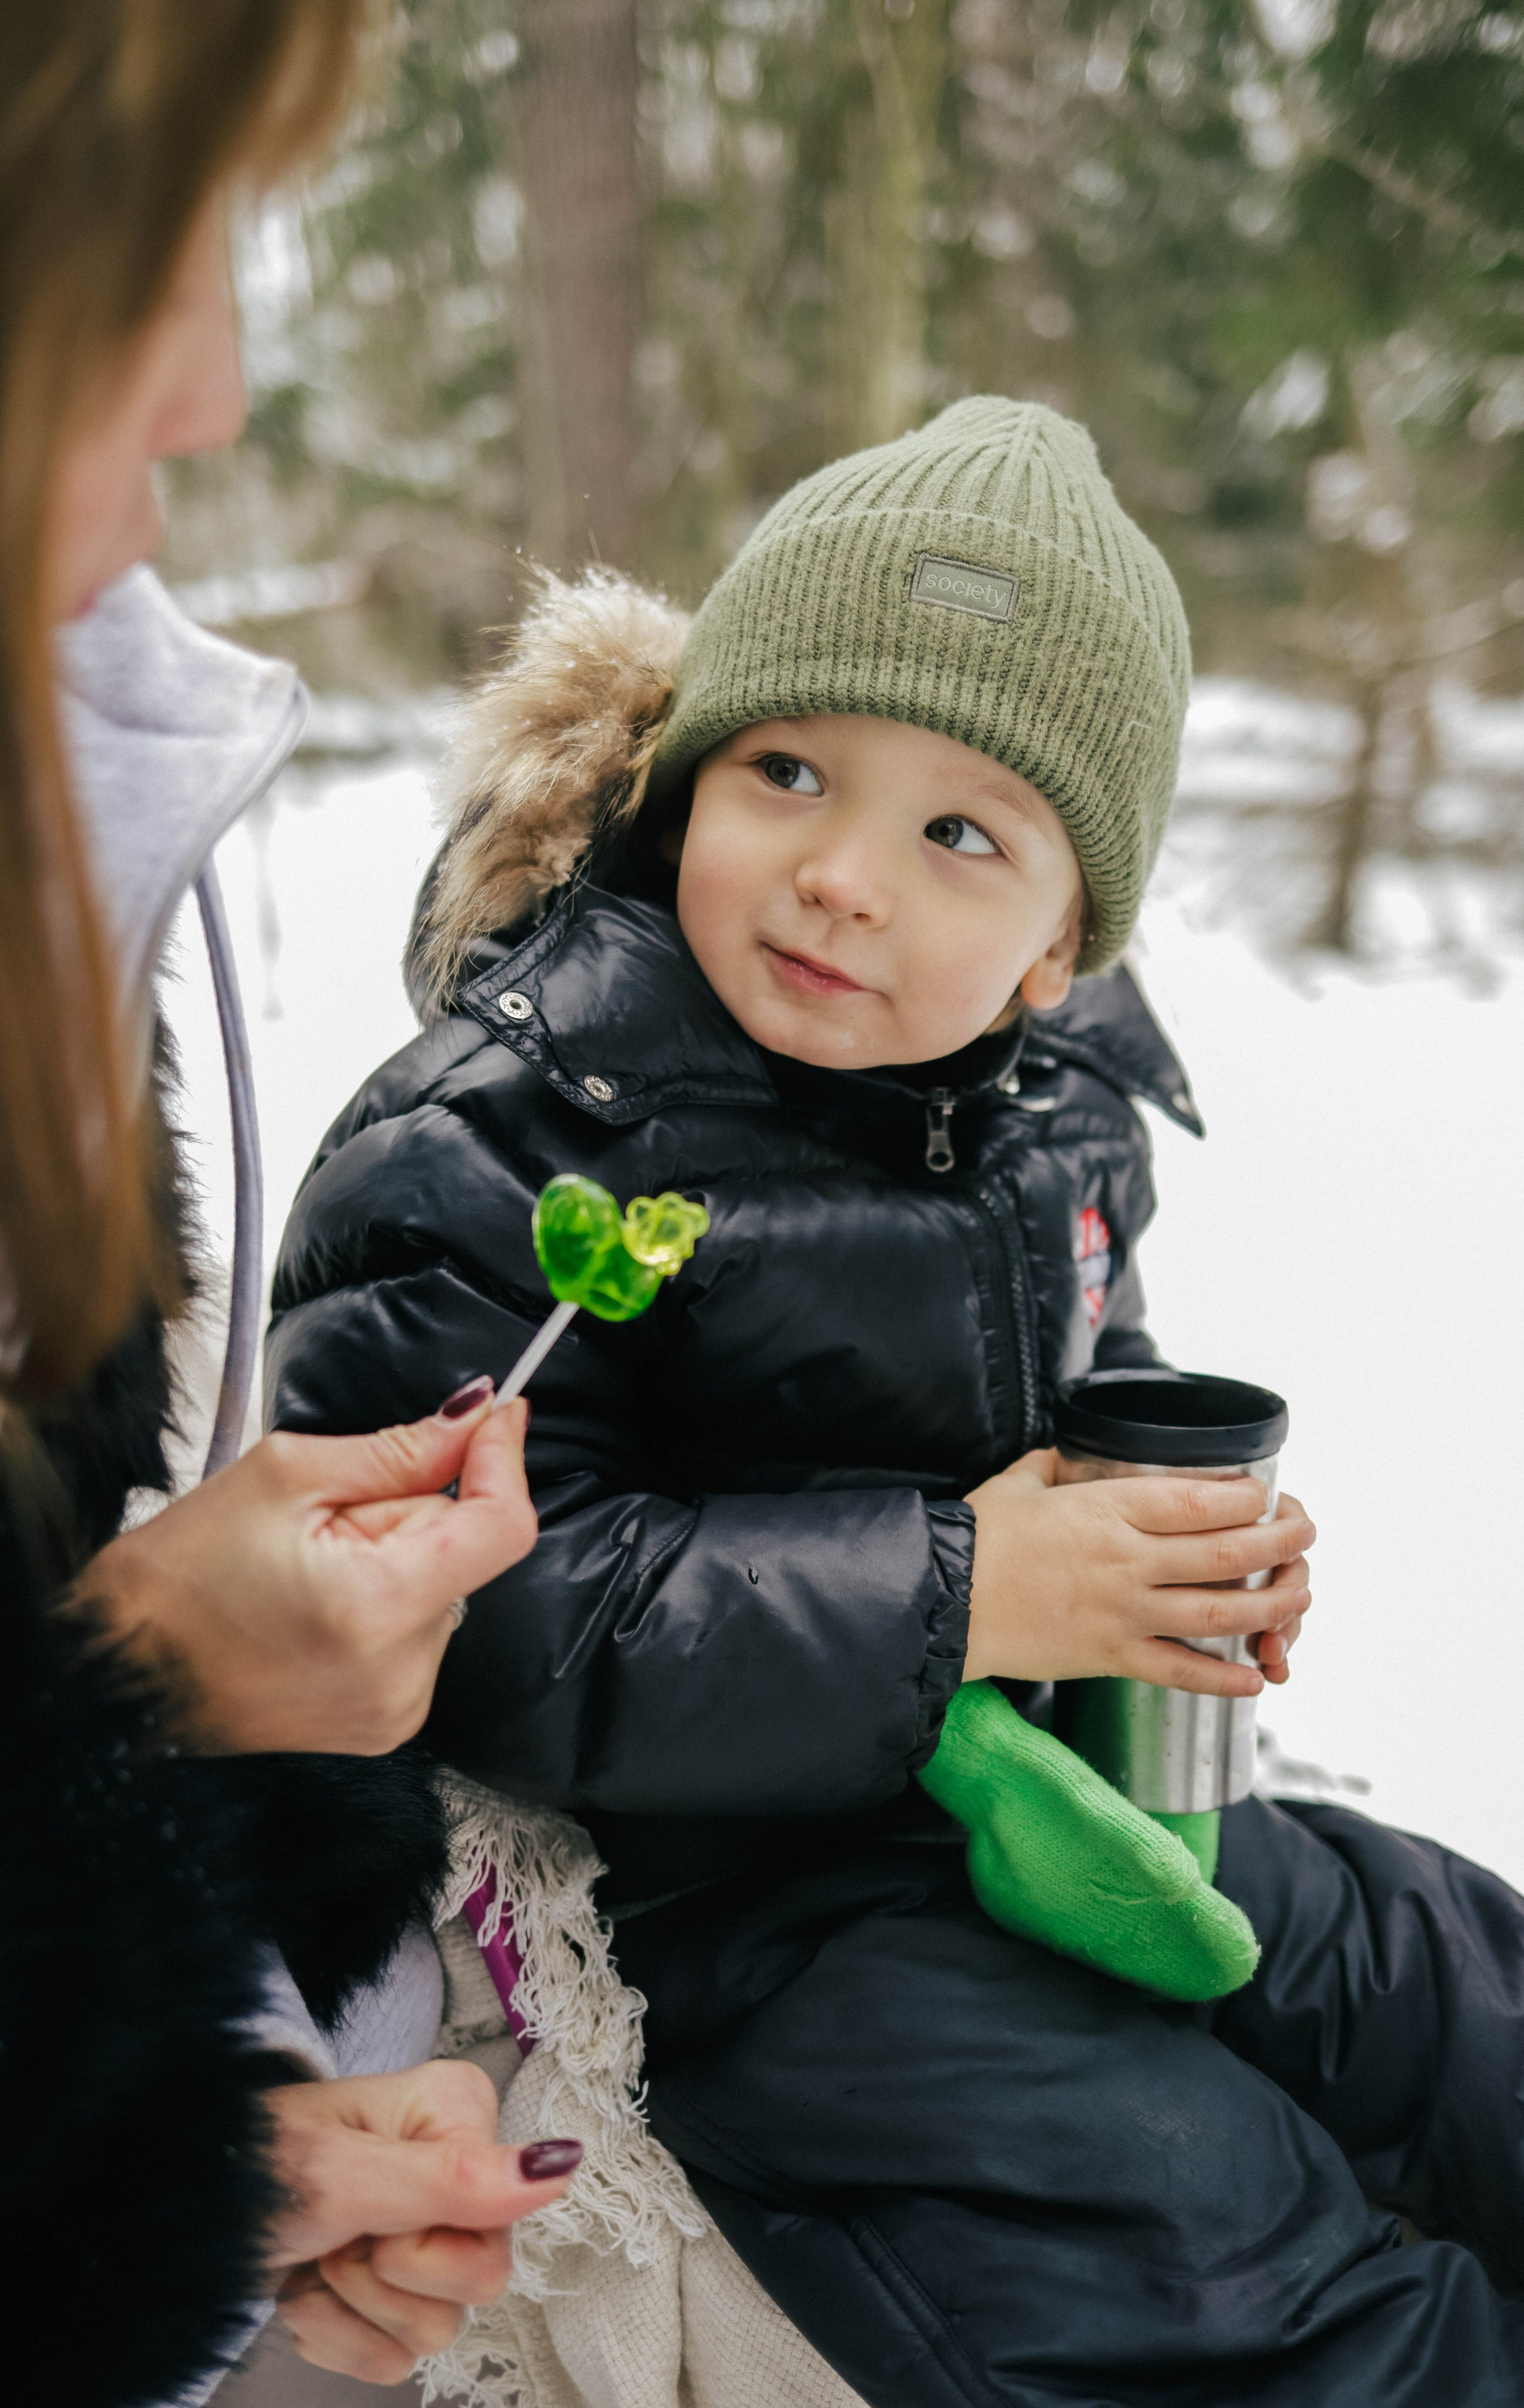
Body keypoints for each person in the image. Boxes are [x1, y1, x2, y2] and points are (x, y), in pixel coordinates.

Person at [268, 398, 1524, 2405]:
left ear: (1061, 941)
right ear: (683, 772)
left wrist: (1169, 1558)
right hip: (727, 1889)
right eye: (788, 770)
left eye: (958, 832)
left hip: (1039, 1777)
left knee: (1425, 1966)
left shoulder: (1046, 1110)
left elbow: (1086, 1383)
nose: (840, 879)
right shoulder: (515, 1131)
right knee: (1162, 2203)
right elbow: (487, 1631)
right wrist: (976, 1586)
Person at [0, 9, 580, 2403]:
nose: (219, 388)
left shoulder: (76, 837)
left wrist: (216, 2141)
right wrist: (144, 1689)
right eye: (154, 253)